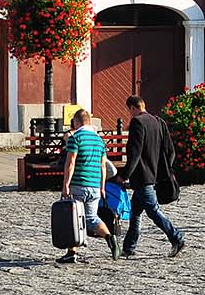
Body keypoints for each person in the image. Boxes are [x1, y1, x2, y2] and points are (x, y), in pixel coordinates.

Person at [116, 94, 186, 259]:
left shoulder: (137, 123)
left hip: (143, 176)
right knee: (135, 211)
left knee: (153, 211)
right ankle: (129, 246)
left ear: (132, 108)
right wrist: (165, 170)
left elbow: (135, 153)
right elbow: (170, 151)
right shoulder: (158, 122)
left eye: (129, 110)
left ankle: (176, 237)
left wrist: (125, 175)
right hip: (155, 174)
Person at [57, 109, 117, 264]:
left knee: (72, 218)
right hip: (95, 186)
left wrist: (66, 185)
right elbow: (103, 166)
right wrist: (102, 187)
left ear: (76, 122)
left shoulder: (75, 138)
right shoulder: (99, 140)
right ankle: (110, 237)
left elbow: (70, 163)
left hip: (79, 184)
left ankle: (71, 252)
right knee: (91, 218)